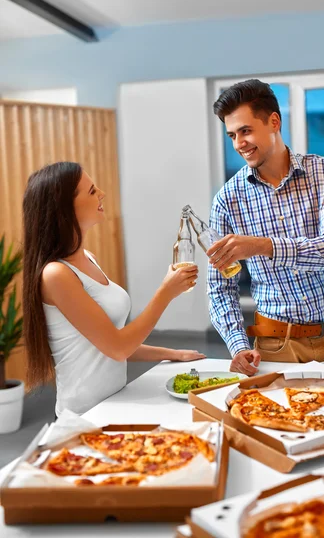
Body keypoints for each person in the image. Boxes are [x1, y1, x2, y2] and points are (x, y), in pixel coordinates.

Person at [22, 161, 204, 416]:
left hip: (113, 404)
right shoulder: (56, 274)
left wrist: (172, 354)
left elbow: (106, 344)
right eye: (92, 191)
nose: (102, 194)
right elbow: (117, 348)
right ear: (65, 208)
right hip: (84, 416)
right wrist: (165, 293)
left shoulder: (89, 258)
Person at [207, 79, 324, 376]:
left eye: (246, 131)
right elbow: (219, 287)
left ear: (274, 121)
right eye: (232, 135)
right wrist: (237, 345)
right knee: (276, 421)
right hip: (274, 347)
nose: (239, 144)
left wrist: (264, 246)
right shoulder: (227, 200)